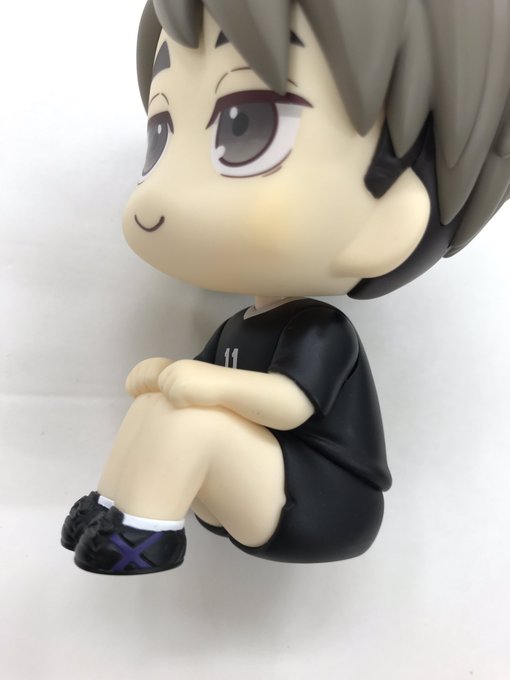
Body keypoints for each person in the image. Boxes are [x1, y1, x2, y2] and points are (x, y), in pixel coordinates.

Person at [61, 0, 510, 575]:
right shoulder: (239, 326)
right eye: (161, 133)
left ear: (392, 212)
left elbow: (291, 405)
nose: (159, 196)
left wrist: (204, 382)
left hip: (325, 502)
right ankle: (111, 508)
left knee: (194, 419)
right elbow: (196, 381)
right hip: (251, 483)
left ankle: (144, 538)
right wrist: (166, 376)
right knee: (162, 406)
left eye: (244, 126)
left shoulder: (319, 329)